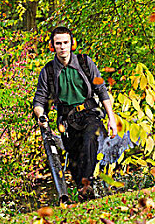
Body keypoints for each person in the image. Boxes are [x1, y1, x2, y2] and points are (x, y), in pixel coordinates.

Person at [33, 26, 117, 198]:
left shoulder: (85, 62)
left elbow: (101, 90)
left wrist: (111, 118)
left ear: (72, 44)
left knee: (90, 139)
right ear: (52, 46)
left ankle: (87, 184)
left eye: (66, 42)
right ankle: (84, 192)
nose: (62, 46)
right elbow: (39, 101)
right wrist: (41, 115)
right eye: (58, 43)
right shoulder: (48, 71)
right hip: (66, 120)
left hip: (90, 113)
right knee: (75, 162)